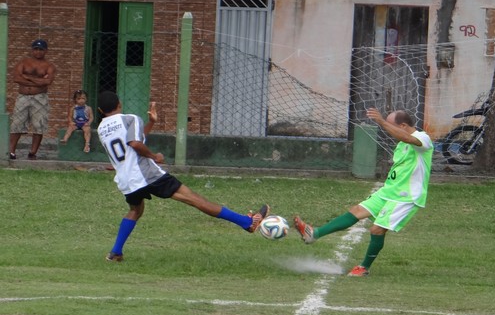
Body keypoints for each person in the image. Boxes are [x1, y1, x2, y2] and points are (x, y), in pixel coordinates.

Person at [96, 91, 269, 262]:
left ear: (100, 110)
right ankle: (247, 223)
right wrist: (154, 156)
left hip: (126, 180)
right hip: (146, 174)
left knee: (135, 210)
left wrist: (151, 123)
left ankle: (116, 252)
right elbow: (134, 143)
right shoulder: (130, 118)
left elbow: (133, 140)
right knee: (196, 199)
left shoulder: (101, 128)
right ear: (120, 104)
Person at [293, 108, 433, 277]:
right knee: (356, 211)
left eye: (390, 125)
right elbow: (403, 140)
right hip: (389, 190)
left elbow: (409, 138)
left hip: (406, 196)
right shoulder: (401, 144)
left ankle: (364, 267)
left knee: (377, 230)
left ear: (403, 125)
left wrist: (381, 121)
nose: (386, 129)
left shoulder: (423, 138)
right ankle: (313, 234)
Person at [9, 39, 56, 160]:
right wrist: (39, 81)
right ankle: (11, 151)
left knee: (39, 124)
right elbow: (16, 78)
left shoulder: (49, 66)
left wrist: (27, 78)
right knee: (17, 123)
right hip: (23, 96)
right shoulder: (24, 62)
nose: (38, 52)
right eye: (36, 49)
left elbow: (48, 81)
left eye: (41, 49)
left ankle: (33, 152)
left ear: (46, 51)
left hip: (40, 98)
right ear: (32, 50)